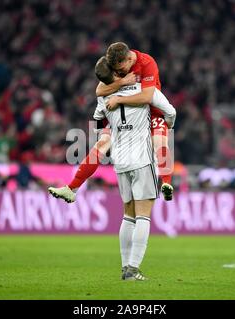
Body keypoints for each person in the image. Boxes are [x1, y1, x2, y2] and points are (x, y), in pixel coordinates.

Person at [49, 42, 175, 203]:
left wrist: (119, 100)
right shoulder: (118, 66)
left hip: (152, 112)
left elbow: (147, 97)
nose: (119, 73)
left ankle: (166, 184)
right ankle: (71, 188)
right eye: (116, 71)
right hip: (128, 117)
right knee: (101, 144)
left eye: (120, 70)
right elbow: (99, 90)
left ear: (129, 59)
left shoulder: (146, 63)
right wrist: (121, 83)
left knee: (159, 142)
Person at [89, 57, 176, 280]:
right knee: (143, 216)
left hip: (120, 161)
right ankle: (133, 269)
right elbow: (170, 111)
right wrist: (168, 122)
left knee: (127, 216)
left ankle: (124, 266)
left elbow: (98, 116)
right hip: (142, 159)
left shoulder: (106, 95)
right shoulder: (144, 90)